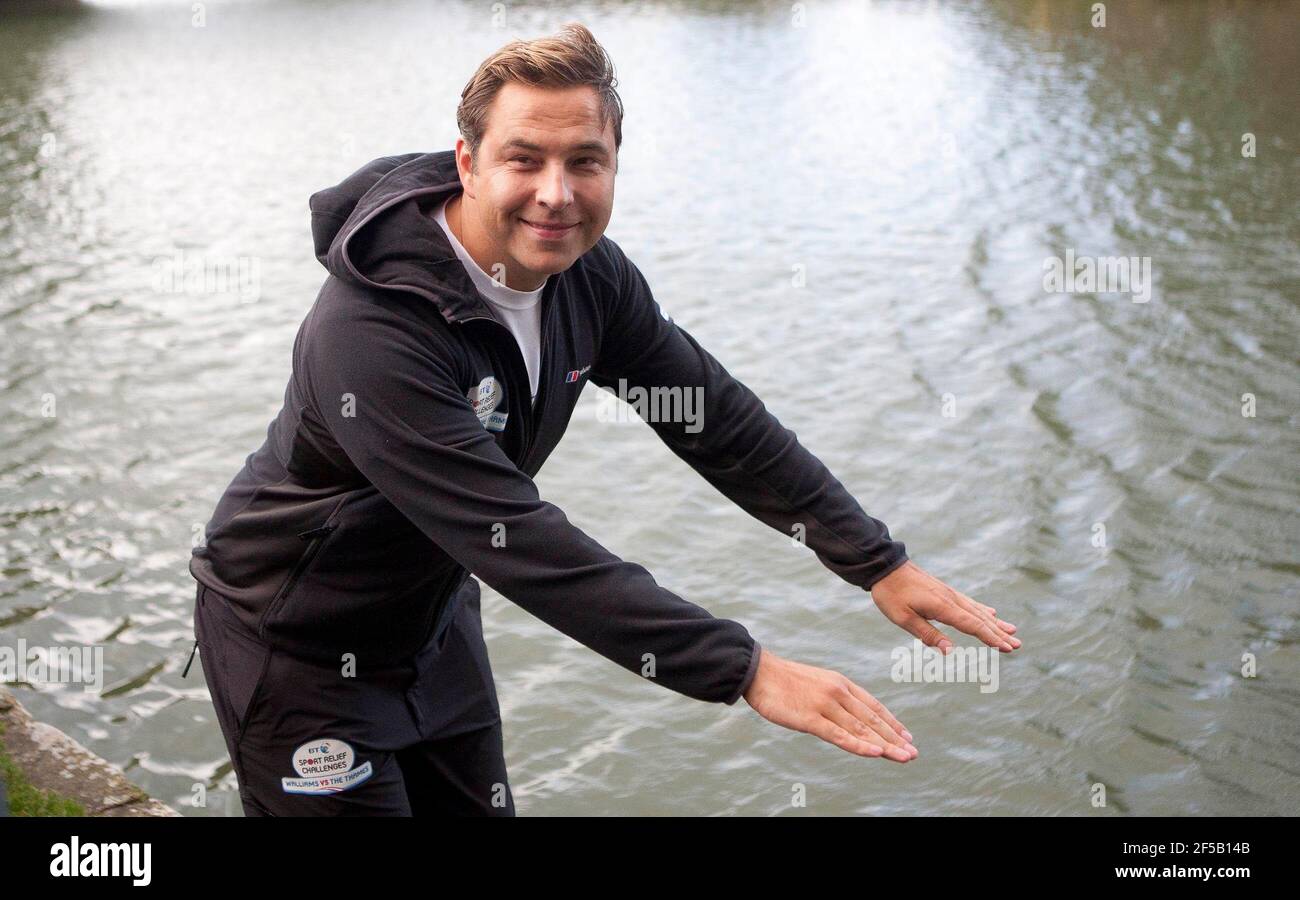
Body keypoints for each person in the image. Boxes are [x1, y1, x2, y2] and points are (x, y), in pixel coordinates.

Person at [186, 22, 1021, 817]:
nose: (556, 194)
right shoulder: (370, 337)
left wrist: (873, 560)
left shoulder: (589, 278)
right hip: (296, 649)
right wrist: (747, 669)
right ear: (468, 164)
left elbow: (710, 416)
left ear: (616, 165)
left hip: (433, 627)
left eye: (585, 161)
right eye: (525, 159)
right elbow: (526, 545)